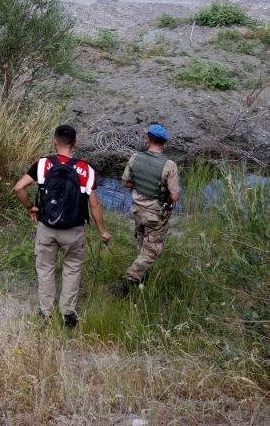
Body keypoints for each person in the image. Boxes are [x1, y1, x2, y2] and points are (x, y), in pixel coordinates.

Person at [13, 125, 111, 328]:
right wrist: (103, 231)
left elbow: (19, 187)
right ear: (75, 144)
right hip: (74, 230)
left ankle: (46, 313)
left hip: (46, 227)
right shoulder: (87, 170)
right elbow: (94, 205)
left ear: (54, 142)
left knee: (46, 268)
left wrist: (31, 207)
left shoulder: (43, 164)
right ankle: (68, 314)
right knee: (72, 268)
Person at [113, 124, 181, 297]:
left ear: (148, 139)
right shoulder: (169, 165)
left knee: (143, 242)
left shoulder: (135, 158)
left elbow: (126, 182)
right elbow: (174, 197)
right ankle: (128, 282)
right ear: (164, 143)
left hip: (136, 210)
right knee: (152, 250)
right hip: (155, 214)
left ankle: (142, 277)